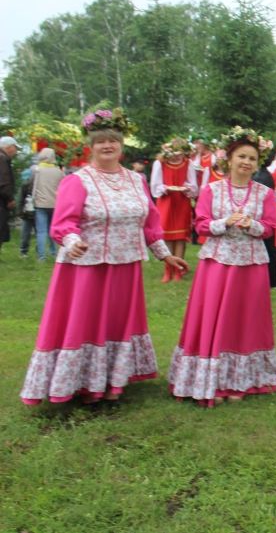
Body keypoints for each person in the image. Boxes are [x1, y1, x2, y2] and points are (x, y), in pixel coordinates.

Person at [20, 108, 189, 405]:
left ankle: (113, 379)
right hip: (87, 267)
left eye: (113, 140)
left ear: (122, 145)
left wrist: (165, 256)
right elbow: (63, 222)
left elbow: (149, 221)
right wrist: (72, 241)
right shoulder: (78, 180)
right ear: (91, 145)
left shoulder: (136, 180)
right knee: (85, 323)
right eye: (101, 141)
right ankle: (83, 383)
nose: (108, 145)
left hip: (126, 265)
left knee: (116, 322)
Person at [168, 127, 276, 406]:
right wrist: (225, 222)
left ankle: (240, 380)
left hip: (251, 265)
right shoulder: (211, 189)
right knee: (215, 317)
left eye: (252, 158)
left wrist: (251, 224)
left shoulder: (264, 193)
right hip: (217, 263)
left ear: (258, 163)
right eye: (241, 156)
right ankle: (212, 379)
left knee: (245, 319)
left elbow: (270, 228)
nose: (246, 162)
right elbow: (201, 225)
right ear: (229, 159)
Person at [151, 137, 199, 281]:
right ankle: (168, 269)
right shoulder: (160, 163)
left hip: (182, 202)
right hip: (166, 202)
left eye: (180, 153)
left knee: (180, 237)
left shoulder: (188, 163)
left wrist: (188, 188)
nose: (178, 156)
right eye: (175, 153)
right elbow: (155, 185)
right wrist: (165, 188)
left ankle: (178, 270)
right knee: (166, 236)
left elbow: (193, 185)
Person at [253, 149, 276, 289]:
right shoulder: (266, 175)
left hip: (263, 217)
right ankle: (273, 280)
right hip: (266, 215)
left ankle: (272, 280)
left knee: (267, 248)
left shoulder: (260, 177)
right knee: (270, 248)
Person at [31, 148, 64, 261]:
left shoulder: (37, 170)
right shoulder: (59, 171)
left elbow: (33, 186)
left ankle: (41, 257)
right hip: (55, 204)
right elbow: (62, 188)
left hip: (40, 203)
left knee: (41, 231)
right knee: (52, 229)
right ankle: (54, 252)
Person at [0, 135, 19, 257]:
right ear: (8, 147)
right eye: (15, 148)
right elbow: (4, 182)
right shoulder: (2, 159)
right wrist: (10, 199)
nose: (16, 152)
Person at [18, 165, 36, 259]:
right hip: (27, 212)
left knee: (29, 232)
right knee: (26, 233)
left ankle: (25, 251)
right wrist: (20, 211)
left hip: (35, 212)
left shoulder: (38, 185)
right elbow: (21, 199)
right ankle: (23, 251)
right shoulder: (25, 185)